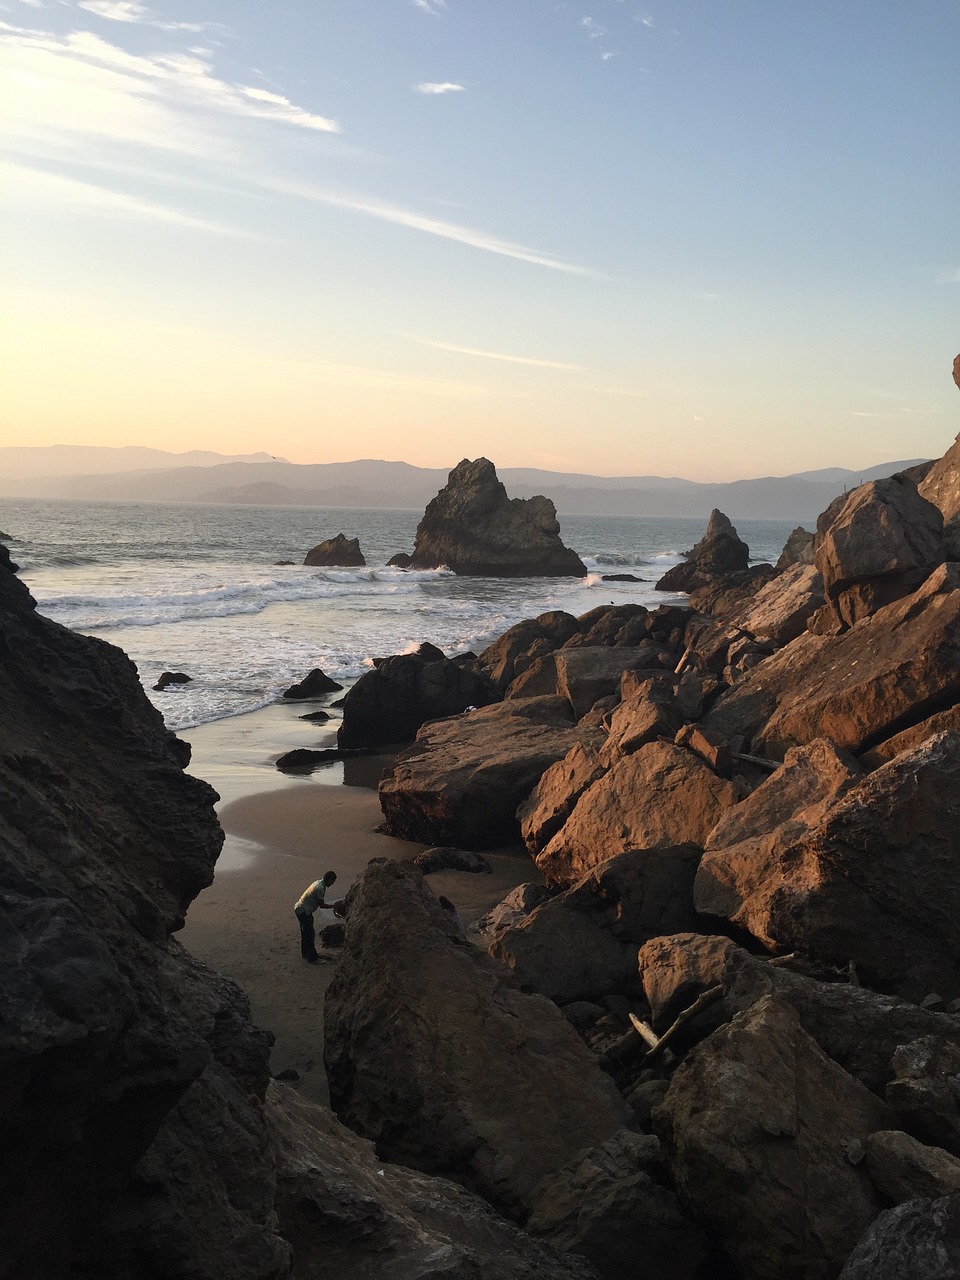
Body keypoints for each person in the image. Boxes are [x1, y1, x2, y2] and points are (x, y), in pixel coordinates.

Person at [294, 870, 337, 963]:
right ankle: (312, 958)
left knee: (305, 933)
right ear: (329, 880)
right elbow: (322, 905)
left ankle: (305, 953)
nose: (333, 884)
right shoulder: (320, 888)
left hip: (299, 908)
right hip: (304, 911)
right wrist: (335, 906)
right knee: (310, 935)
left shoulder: (318, 882)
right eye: (333, 881)